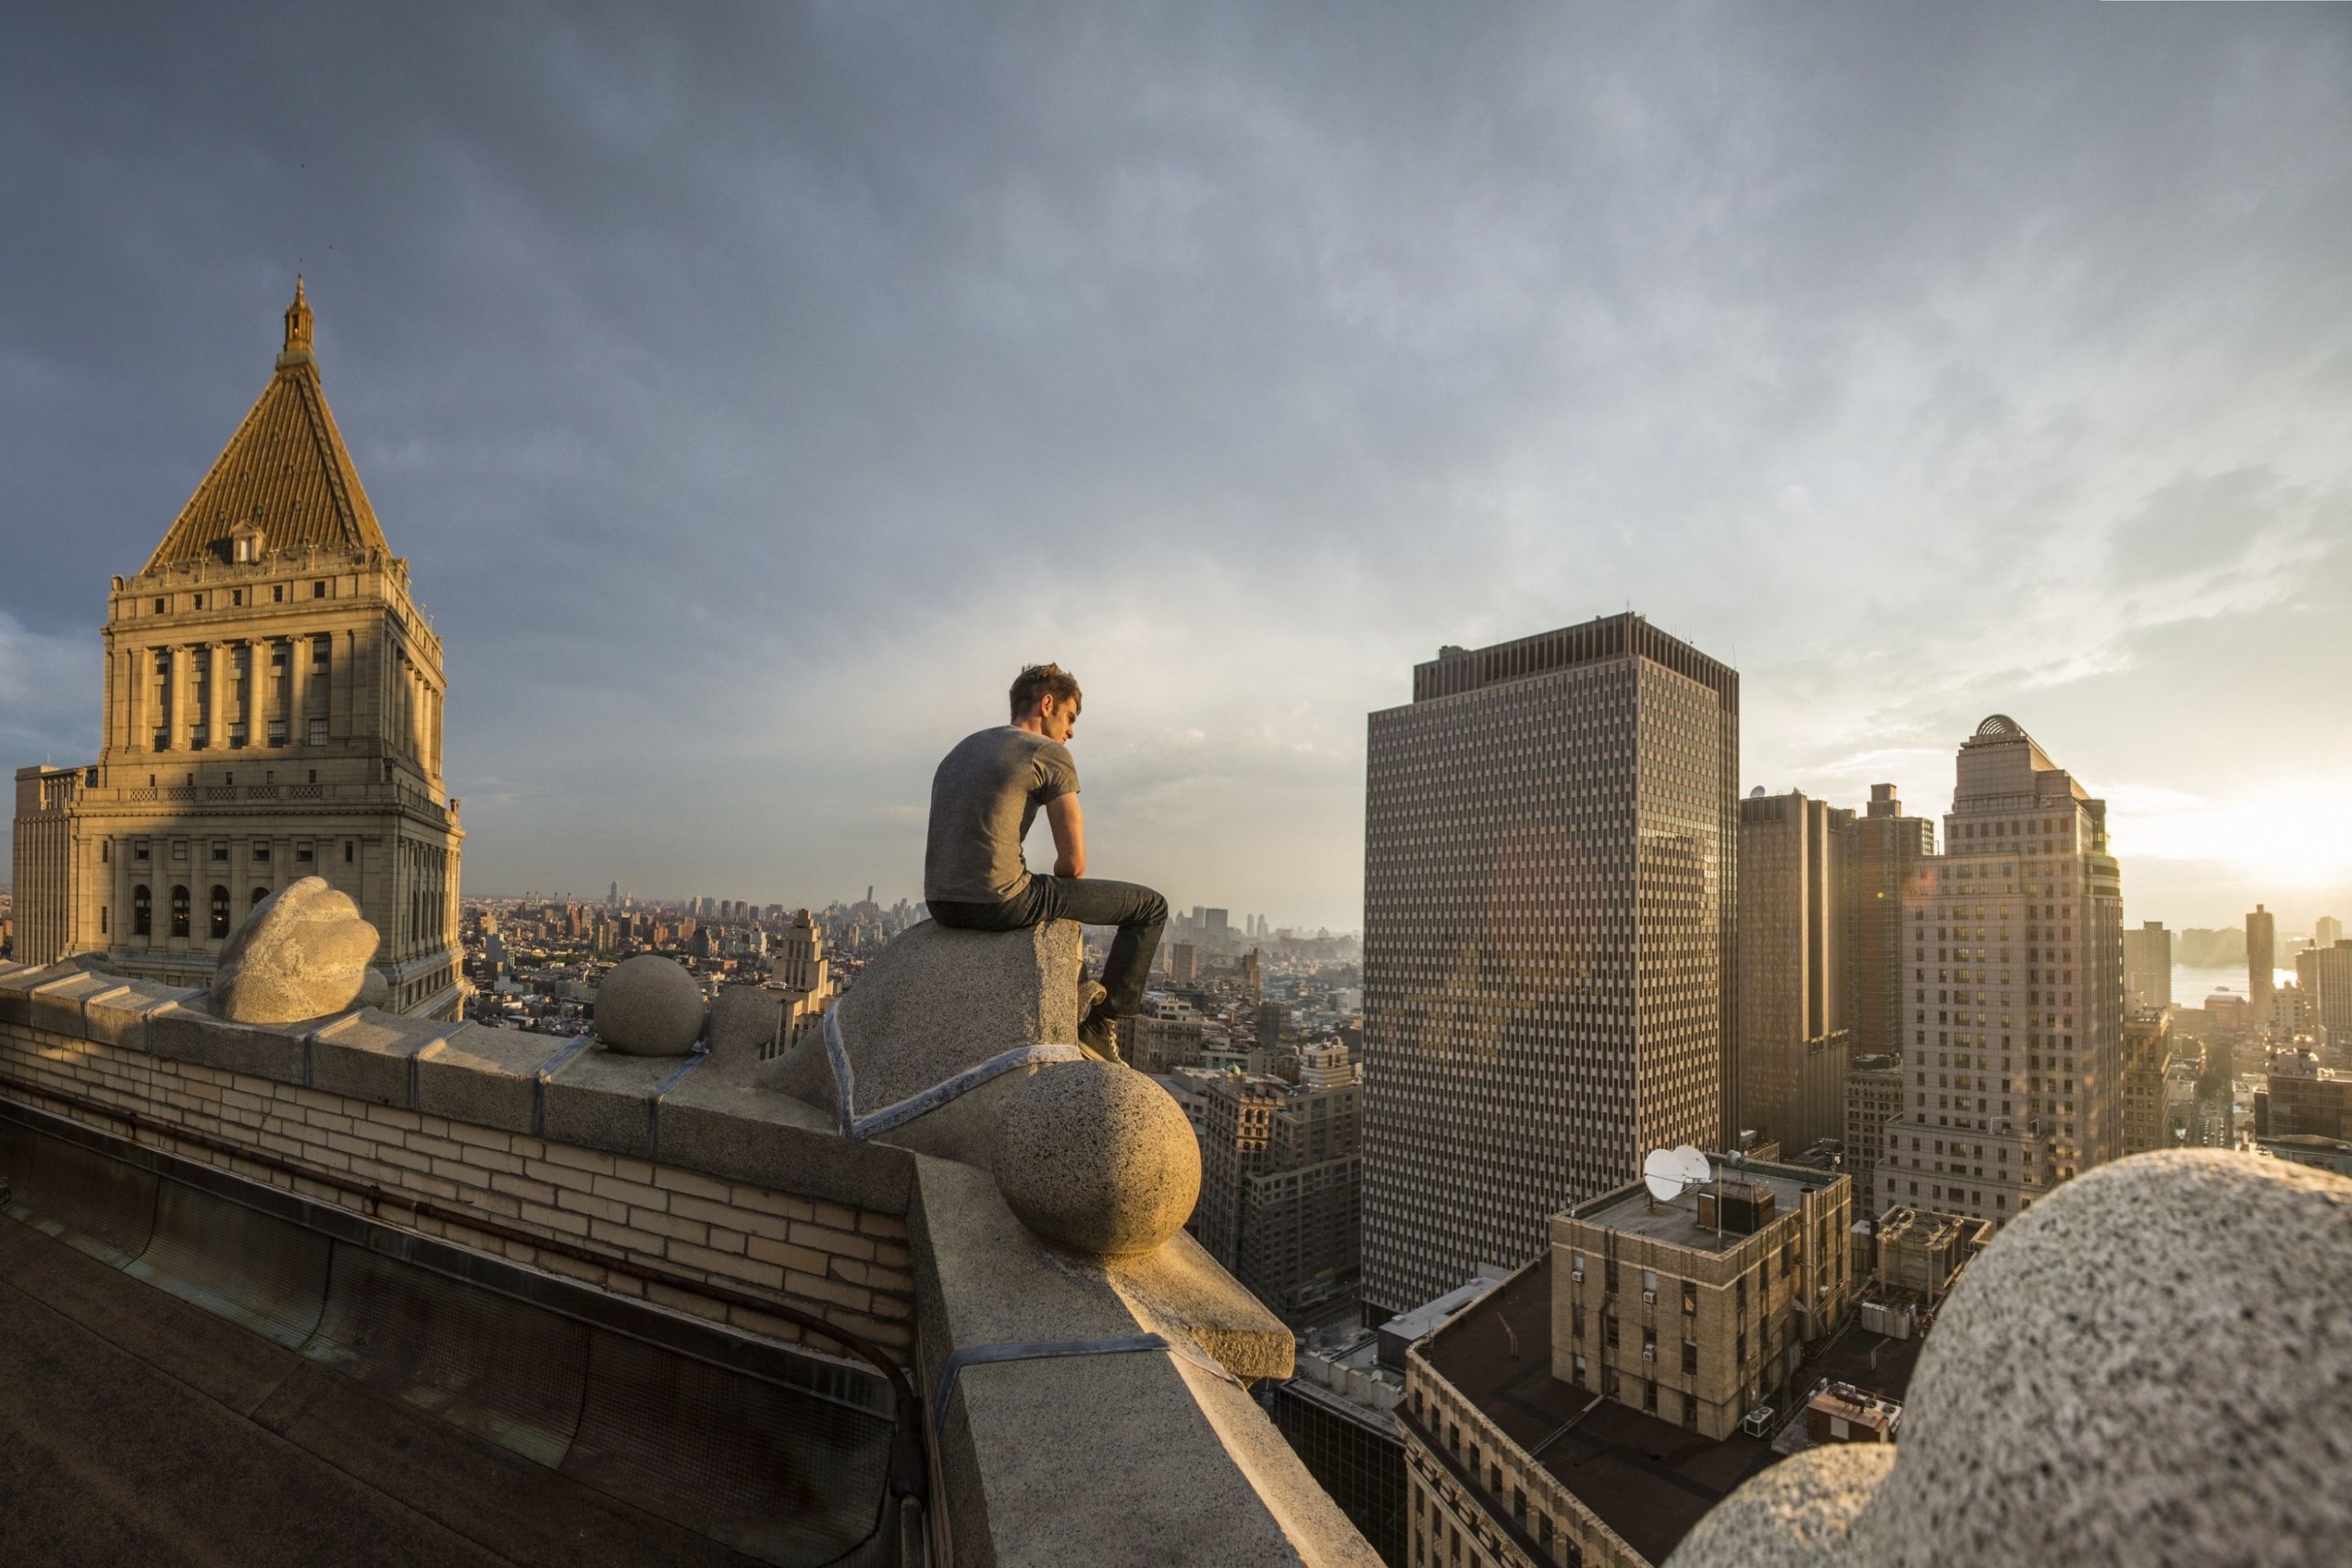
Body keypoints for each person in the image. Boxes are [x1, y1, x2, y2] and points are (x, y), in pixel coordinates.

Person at [924, 663, 1166, 1060]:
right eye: (1070, 717)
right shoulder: (1047, 752)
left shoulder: (962, 748)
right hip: (999, 902)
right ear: (1047, 704)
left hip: (941, 903)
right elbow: (1072, 865)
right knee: (1151, 907)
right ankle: (1100, 1026)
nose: (1071, 731)